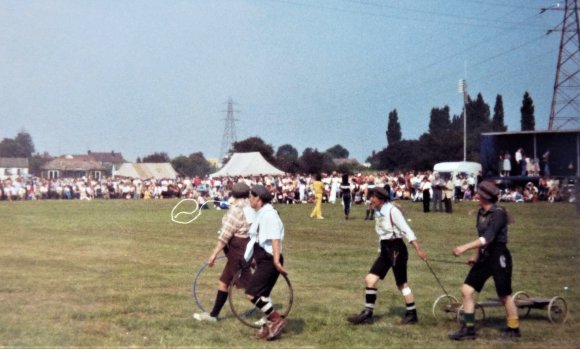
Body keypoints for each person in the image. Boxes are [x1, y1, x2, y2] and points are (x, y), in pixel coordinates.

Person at [449, 181, 521, 340]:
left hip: (499, 255)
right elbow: (481, 237)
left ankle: (514, 329)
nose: (476, 195)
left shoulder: (499, 213)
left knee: (504, 295)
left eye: (478, 193)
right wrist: (476, 256)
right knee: (466, 290)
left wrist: (464, 247)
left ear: (485, 197)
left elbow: (488, 238)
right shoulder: (481, 212)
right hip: (485, 255)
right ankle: (469, 330)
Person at [347, 186, 428, 325]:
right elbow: (381, 233)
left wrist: (418, 249)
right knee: (370, 280)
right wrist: (381, 249)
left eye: (373, 197)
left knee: (401, 283)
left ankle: (412, 313)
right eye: (370, 196)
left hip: (397, 249)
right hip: (386, 249)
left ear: (381, 199)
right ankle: (368, 314)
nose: (370, 200)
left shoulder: (392, 211)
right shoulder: (378, 211)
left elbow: (407, 230)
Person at [193, 182, 255, 322]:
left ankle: (272, 316)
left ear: (233, 194)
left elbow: (225, 236)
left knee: (250, 289)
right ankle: (213, 316)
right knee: (223, 282)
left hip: (238, 251)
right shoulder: (250, 207)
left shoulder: (236, 210)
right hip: (244, 249)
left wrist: (213, 255)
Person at [243, 185, 288, 340]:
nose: (249, 199)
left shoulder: (269, 215)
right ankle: (267, 328)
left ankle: (276, 319)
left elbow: (275, 238)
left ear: (258, 199)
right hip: (264, 258)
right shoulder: (263, 213)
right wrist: (255, 258)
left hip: (270, 260)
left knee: (251, 293)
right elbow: (259, 239)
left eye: (251, 196)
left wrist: (276, 260)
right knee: (262, 296)